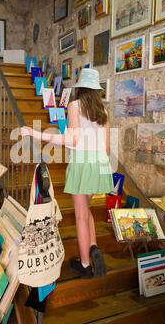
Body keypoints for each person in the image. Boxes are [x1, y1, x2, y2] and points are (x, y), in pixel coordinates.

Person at [21, 68, 114, 279]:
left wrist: (36, 133)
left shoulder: (74, 106)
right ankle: (93, 247)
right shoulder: (104, 113)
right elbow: (107, 149)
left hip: (82, 164)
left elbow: (72, 140)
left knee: (81, 216)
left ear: (80, 88)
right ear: (97, 90)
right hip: (99, 164)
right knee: (86, 210)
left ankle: (85, 265)